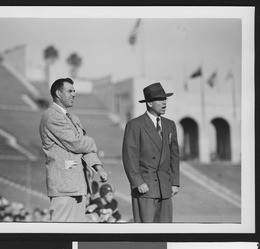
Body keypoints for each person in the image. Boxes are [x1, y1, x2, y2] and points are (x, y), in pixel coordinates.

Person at [39, 78, 108, 222]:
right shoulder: (51, 116)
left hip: (79, 186)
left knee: (76, 234)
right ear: (58, 93)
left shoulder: (72, 117)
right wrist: (91, 141)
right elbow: (76, 143)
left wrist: (98, 167)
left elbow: (83, 147)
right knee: (61, 236)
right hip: (63, 187)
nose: (74, 94)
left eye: (74, 91)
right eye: (70, 91)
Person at [122, 82, 179, 223]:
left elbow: (174, 156)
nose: (164, 103)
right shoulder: (135, 125)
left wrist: (175, 183)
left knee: (164, 234)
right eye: (160, 99)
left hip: (165, 189)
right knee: (146, 235)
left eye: (165, 99)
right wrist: (138, 182)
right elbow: (129, 157)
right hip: (145, 189)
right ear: (149, 103)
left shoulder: (170, 125)